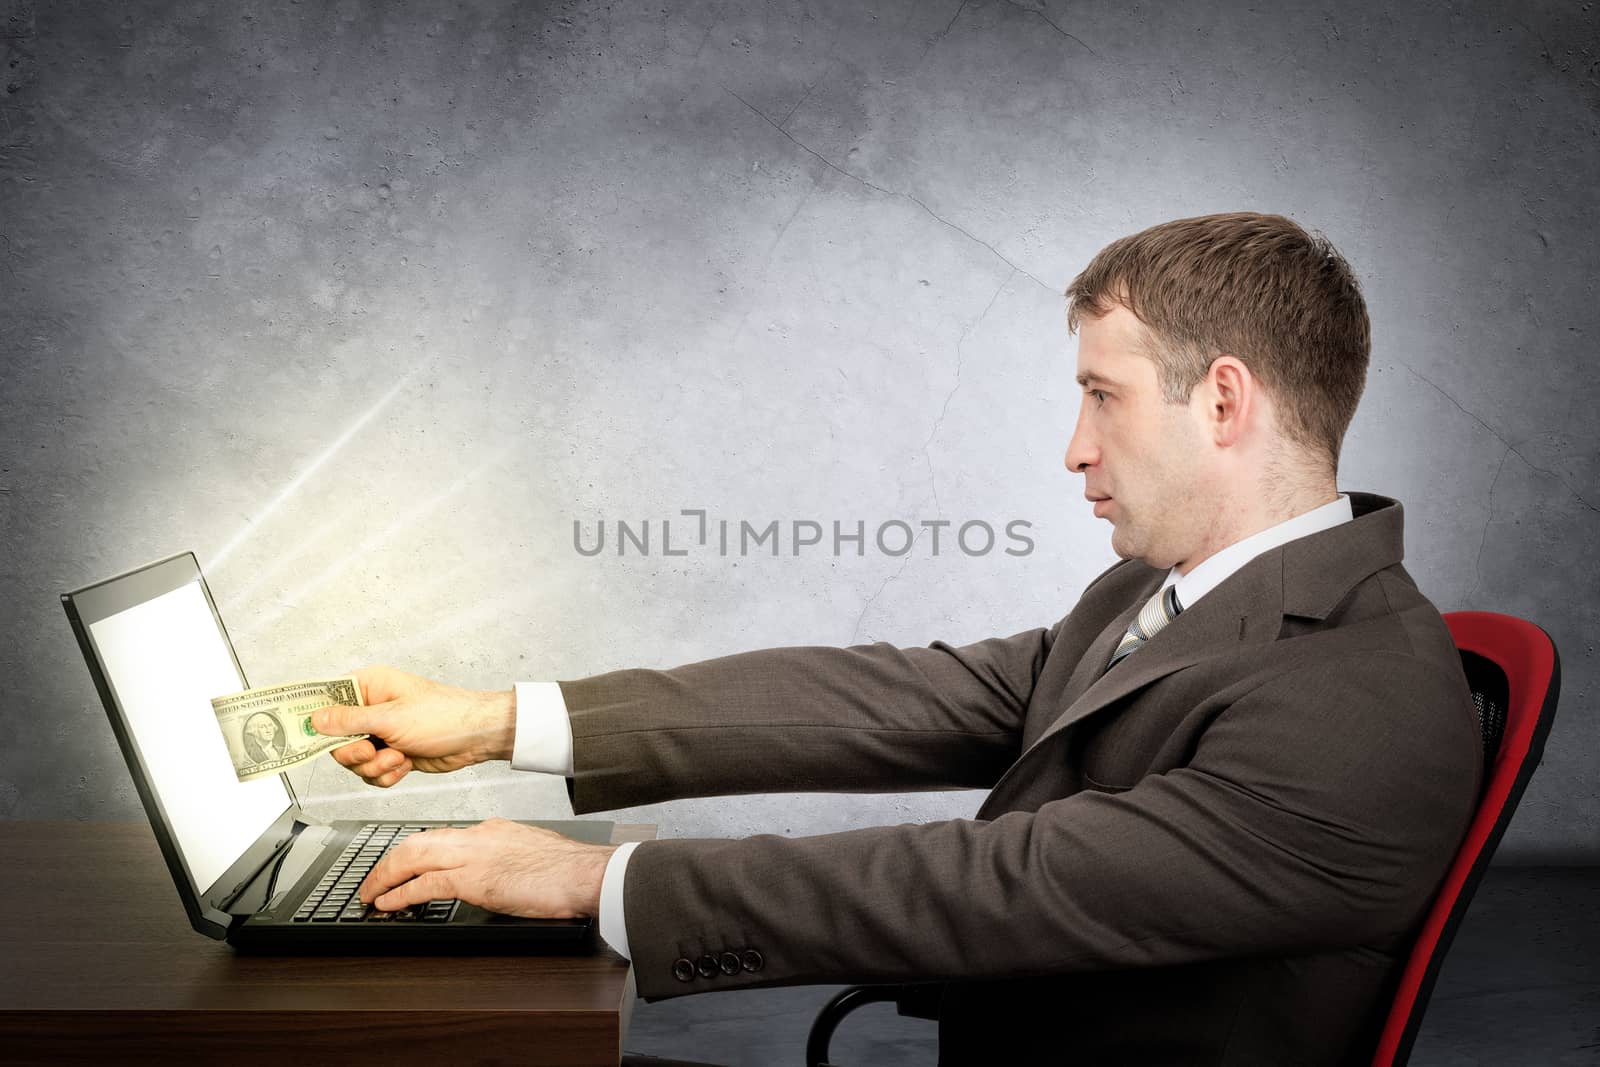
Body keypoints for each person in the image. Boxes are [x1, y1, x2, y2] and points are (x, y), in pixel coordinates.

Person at [309, 212, 1482, 1066]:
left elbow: (1004, 882)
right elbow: (890, 698)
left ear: (1223, 401)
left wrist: (591, 878)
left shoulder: (1357, 691)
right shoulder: (1165, 598)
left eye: (1102, 395)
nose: (1072, 448)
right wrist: (498, 721)